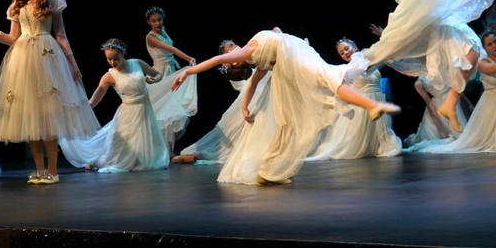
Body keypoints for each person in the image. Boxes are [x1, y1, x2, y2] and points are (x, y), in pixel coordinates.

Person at [171, 28, 398, 184]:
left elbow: (276, 32)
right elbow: (229, 69)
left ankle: (269, 172)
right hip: (289, 58)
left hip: (291, 51)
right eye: (231, 56)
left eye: (232, 50)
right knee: (289, 118)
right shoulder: (254, 58)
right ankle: (268, 172)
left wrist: (281, 36)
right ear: (235, 62)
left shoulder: (253, 51)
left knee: (327, 79)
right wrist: (189, 72)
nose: (233, 53)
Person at [363, 0, 496, 134]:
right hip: (434, 17)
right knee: (471, 49)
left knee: (473, 51)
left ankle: (450, 103)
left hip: (440, 17)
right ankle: (352, 70)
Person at [0, 0, 99, 185]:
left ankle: (53, 171)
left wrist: (73, 63)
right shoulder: (17, 5)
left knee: (48, 116)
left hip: (47, 57)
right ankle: (40, 170)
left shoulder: (53, 2)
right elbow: (13, 38)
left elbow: (60, 35)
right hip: (23, 59)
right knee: (31, 116)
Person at [58, 40, 169, 172]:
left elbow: (157, 74)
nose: (112, 62)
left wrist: (154, 80)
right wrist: (74, 111)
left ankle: (137, 160)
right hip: (127, 114)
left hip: (145, 110)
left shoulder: (137, 63)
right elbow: (93, 101)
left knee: (144, 143)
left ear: (123, 53)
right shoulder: (109, 76)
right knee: (120, 146)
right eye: (109, 59)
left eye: (116, 58)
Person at [413, 30, 496, 154]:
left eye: (495, 42)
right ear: (484, 48)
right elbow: (493, 69)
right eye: (489, 44)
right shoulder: (483, 63)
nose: (494, 45)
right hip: (494, 101)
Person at [174, 41, 271, 165]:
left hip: (259, 94)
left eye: (234, 44)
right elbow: (217, 61)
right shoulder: (237, 67)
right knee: (234, 131)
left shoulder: (249, 59)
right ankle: (200, 153)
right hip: (255, 97)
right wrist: (188, 72)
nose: (236, 46)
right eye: (232, 46)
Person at [307, 38, 402, 160]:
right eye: (341, 53)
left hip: (377, 100)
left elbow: (388, 53)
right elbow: (324, 70)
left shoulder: (370, 62)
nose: (345, 53)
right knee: (354, 143)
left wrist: (383, 36)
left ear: (355, 47)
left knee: (382, 139)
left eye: (346, 48)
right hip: (361, 107)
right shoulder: (346, 70)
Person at [143, 7, 198, 154]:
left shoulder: (163, 30)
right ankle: (160, 149)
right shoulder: (151, 37)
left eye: (159, 19)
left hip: (171, 69)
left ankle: (168, 148)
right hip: (161, 73)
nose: (157, 23)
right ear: (149, 22)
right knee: (163, 111)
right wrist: (189, 58)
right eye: (154, 21)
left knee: (173, 109)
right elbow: (172, 50)